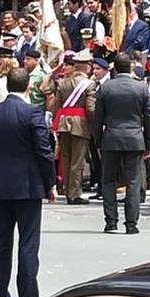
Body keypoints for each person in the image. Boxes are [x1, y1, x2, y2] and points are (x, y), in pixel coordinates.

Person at [0, 68, 56, 297]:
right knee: (28, 243)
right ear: (28, 87)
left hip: (1, 183)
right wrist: (51, 183)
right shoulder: (32, 113)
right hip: (28, 185)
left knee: (1, 243)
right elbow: (43, 151)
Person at [92, 52, 150, 235]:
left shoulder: (106, 88)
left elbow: (98, 118)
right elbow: (149, 118)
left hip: (111, 137)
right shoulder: (141, 88)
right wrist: (149, 143)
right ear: (130, 68)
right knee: (133, 181)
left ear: (115, 68)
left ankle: (111, 221)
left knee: (108, 180)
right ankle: (131, 224)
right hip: (134, 138)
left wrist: (98, 140)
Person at [50, 51, 96, 205]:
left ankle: (67, 189)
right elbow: (90, 108)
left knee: (66, 159)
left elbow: (57, 106)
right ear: (87, 67)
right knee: (77, 160)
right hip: (80, 124)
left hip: (63, 123)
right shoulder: (89, 84)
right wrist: (94, 123)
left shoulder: (63, 83)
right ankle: (74, 193)